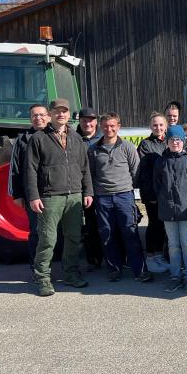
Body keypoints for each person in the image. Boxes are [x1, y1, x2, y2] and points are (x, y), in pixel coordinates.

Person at [26, 98, 93, 296]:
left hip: (74, 196)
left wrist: (88, 191)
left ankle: (71, 273)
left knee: (73, 238)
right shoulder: (38, 138)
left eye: (64, 111)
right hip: (50, 196)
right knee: (47, 239)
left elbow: (85, 167)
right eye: (57, 111)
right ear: (50, 114)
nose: (61, 114)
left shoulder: (76, 138)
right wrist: (33, 196)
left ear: (68, 114)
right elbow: (30, 170)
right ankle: (43, 278)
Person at [88, 112, 151, 282]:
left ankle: (140, 270)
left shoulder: (128, 147)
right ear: (101, 127)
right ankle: (114, 269)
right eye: (106, 126)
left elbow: (135, 171)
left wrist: (127, 189)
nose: (109, 129)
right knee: (108, 234)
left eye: (112, 125)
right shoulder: (93, 150)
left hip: (124, 196)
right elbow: (90, 174)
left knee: (130, 233)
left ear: (118, 127)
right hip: (103, 198)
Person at [154, 125, 187, 294]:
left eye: (178, 139)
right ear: (167, 142)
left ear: (183, 141)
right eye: (171, 140)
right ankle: (175, 276)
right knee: (173, 245)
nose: (175, 143)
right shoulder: (161, 161)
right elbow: (157, 185)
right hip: (168, 211)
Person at [8, 103, 49, 272]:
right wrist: (17, 194)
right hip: (33, 194)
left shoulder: (57, 136)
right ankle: (36, 268)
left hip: (56, 192)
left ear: (48, 117)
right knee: (37, 231)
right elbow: (15, 168)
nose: (38, 118)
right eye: (34, 115)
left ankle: (58, 266)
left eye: (41, 115)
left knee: (57, 231)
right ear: (30, 119)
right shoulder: (22, 140)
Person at [137, 112, 169, 273]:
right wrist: (149, 195)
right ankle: (150, 256)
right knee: (154, 224)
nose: (158, 127)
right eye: (155, 125)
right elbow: (144, 173)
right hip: (153, 193)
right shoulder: (146, 145)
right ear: (150, 127)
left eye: (161, 125)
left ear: (166, 126)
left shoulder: (169, 142)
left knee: (163, 225)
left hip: (166, 194)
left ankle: (159, 255)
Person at [76, 107, 103, 270]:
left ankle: (112, 257)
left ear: (96, 122)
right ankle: (93, 259)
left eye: (91, 120)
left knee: (105, 225)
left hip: (102, 189)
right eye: (84, 120)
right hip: (81, 190)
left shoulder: (104, 138)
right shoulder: (73, 138)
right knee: (88, 227)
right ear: (79, 121)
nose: (88, 123)